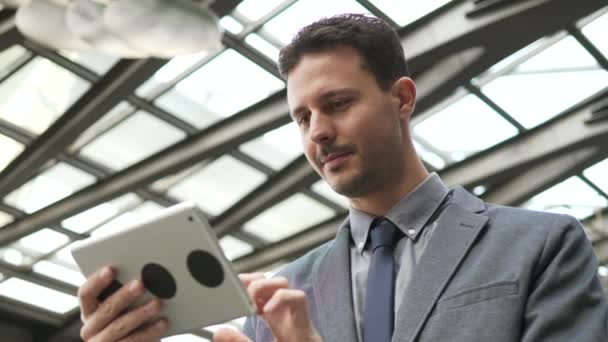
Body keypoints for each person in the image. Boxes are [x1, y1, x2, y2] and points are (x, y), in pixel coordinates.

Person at [77, 13, 608, 342]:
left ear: (402, 99)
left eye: (337, 104)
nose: (319, 133)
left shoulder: (541, 244)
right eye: (303, 117)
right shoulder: (278, 298)